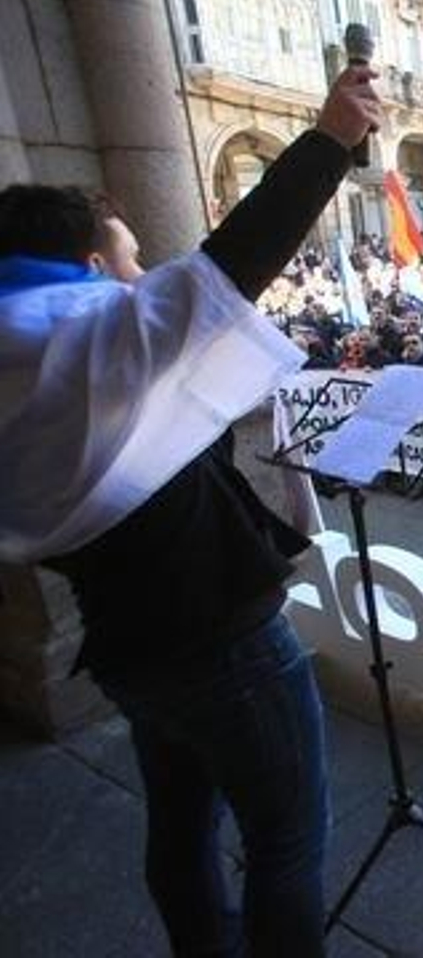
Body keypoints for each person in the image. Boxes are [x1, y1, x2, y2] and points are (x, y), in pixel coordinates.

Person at [0, 66, 381, 956]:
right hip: (221, 640)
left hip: (132, 646)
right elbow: (227, 269)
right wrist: (328, 142)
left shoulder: (28, 363)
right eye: (132, 258)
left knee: (179, 830)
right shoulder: (78, 338)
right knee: (286, 840)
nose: (144, 276)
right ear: (89, 268)